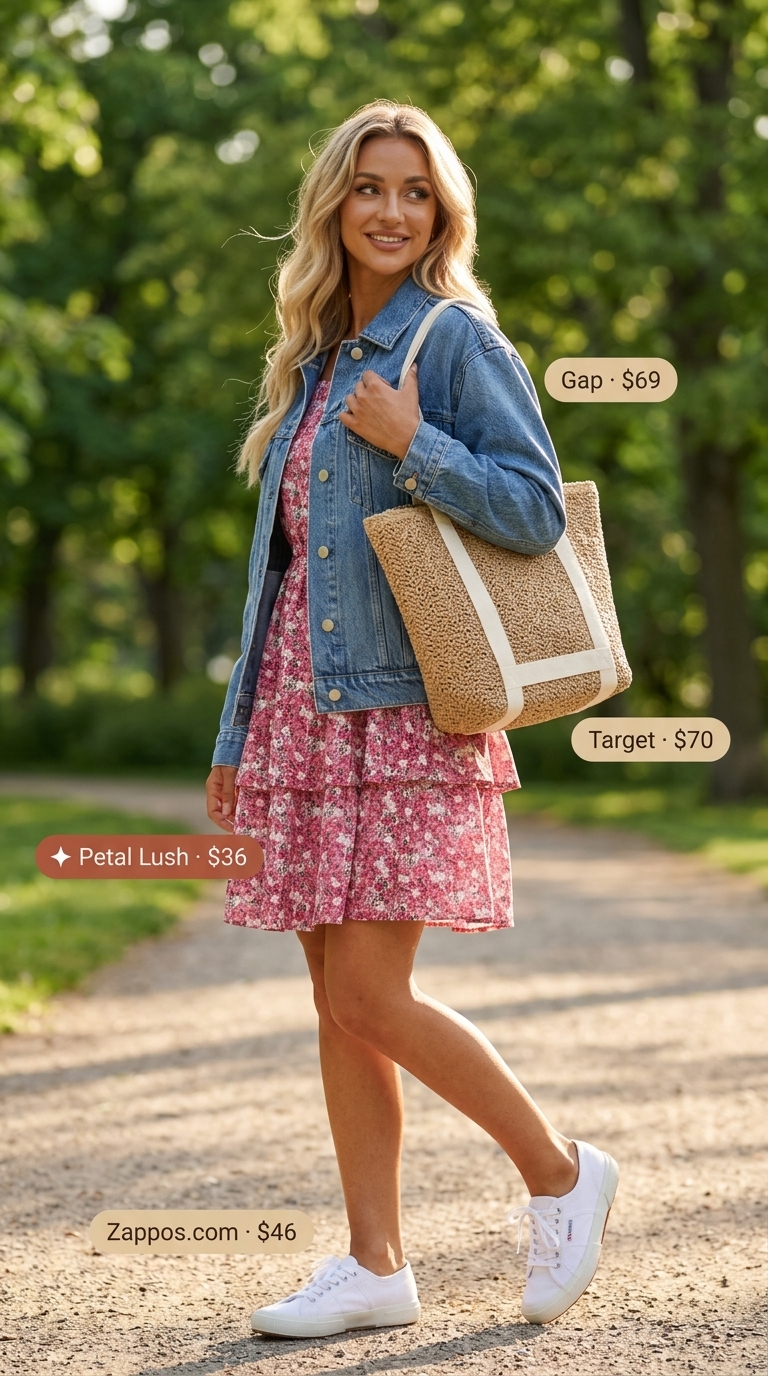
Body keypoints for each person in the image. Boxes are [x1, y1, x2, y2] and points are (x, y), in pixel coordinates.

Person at [206, 100, 618, 1339]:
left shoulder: (455, 340)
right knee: (335, 999)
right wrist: (235, 735)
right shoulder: (314, 359)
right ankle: (374, 1262)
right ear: (333, 201)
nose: (391, 210)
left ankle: (560, 1170)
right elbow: (277, 575)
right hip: (300, 712)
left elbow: (535, 509)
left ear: (443, 213)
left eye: (416, 191)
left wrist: (417, 440)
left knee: (374, 992)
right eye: (370, 187)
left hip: (402, 714)